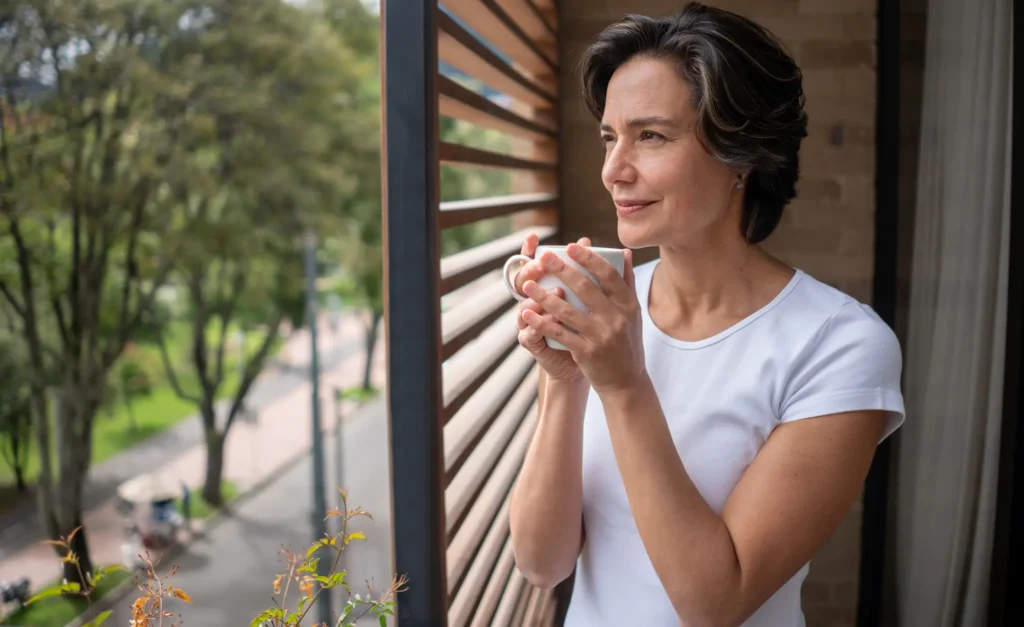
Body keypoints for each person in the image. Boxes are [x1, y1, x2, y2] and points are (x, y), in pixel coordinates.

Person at [507, 4, 905, 626]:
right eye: (610, 137)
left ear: (742, 155)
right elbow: (541, 562)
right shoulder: (604, 313)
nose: (614, 170)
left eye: (652, 135)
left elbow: (713, 603)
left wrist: (621, 382)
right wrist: (565, 381)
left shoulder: (839, 345)